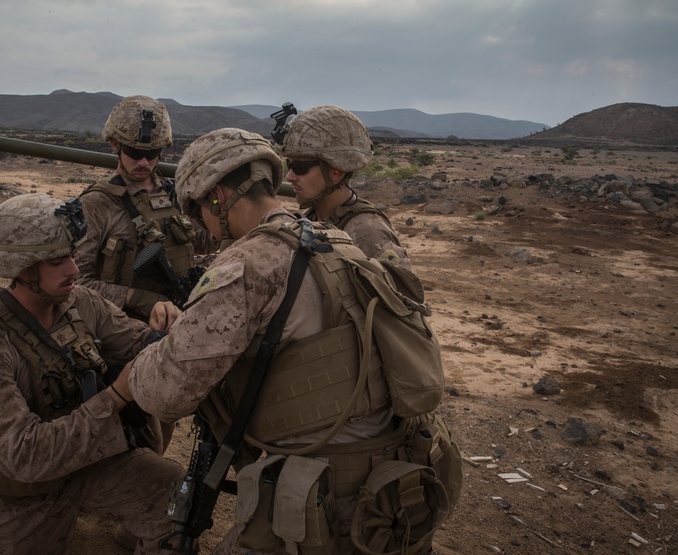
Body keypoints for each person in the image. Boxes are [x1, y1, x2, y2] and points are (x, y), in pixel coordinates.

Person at [113, 129, 459, 554]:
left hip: (327, 499)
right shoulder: (334, 239)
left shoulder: (249, 263)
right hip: (394, 480)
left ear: (218, 197)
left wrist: (142, 364)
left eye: (199, 208)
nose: (202, 220)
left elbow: (167, 394)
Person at [0, 193, 183, 555]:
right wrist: (116, 396)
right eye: (56, 260)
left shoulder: (81, 302)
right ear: (20, 268)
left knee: (174, 491)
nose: (73, 269)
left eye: (70, 254)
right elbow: (23, 456)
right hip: (19, 492)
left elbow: (142, 343)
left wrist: (167, 331)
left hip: (88, 462)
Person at [73, 95, 210, 321]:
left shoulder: (172, 193)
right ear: (115, 145)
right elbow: (77, 283)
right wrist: (137, 298)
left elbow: (202, 242)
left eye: (151, 154)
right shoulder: (97, 203)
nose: (144, 163)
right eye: (135, 153)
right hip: (122, 327)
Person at [275, 104, 412, 270]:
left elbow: (399, 294)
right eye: (288, 164)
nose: (289, 176)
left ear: (336, 171)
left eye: (300, 167)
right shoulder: (315, 217)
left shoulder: (365, 231)